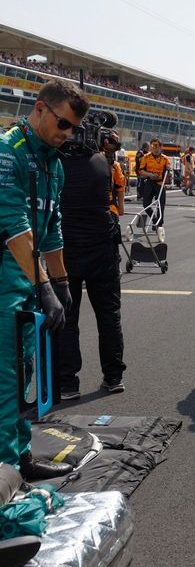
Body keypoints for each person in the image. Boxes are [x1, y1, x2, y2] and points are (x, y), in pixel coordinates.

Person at [0, 80, 89, 480]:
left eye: (74, 128)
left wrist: (62, 281)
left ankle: (18, 460)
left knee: (23, 374)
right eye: (63, 123)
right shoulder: (7, 151)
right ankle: (7, 472)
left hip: (26, 281)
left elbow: (51, 226)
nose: (67, 133)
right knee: (6, 380)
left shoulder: (53, 162)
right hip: (6, 278)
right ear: (39, 109)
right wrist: (44, 286)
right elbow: (14, 225)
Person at [58, 127, 127, 398]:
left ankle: (67, 383)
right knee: (109, 315)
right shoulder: (102, 164)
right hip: (102, 248)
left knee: (66, 318)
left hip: (66, 250)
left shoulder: (56, 164)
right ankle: (114, 377)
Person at [139, 137, 170, 227]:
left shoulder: (165, 159)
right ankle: (154, 219)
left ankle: (159, 225)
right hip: (150, 182)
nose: (154, 147)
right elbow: (141, 171)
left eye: (156, 145)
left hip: (160, 183)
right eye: (152, 146)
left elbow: (169, 171)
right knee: (146, 204)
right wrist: (150, 175)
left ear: (160, 147)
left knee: (161, 205)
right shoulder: (146, 157)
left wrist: (169, 172)